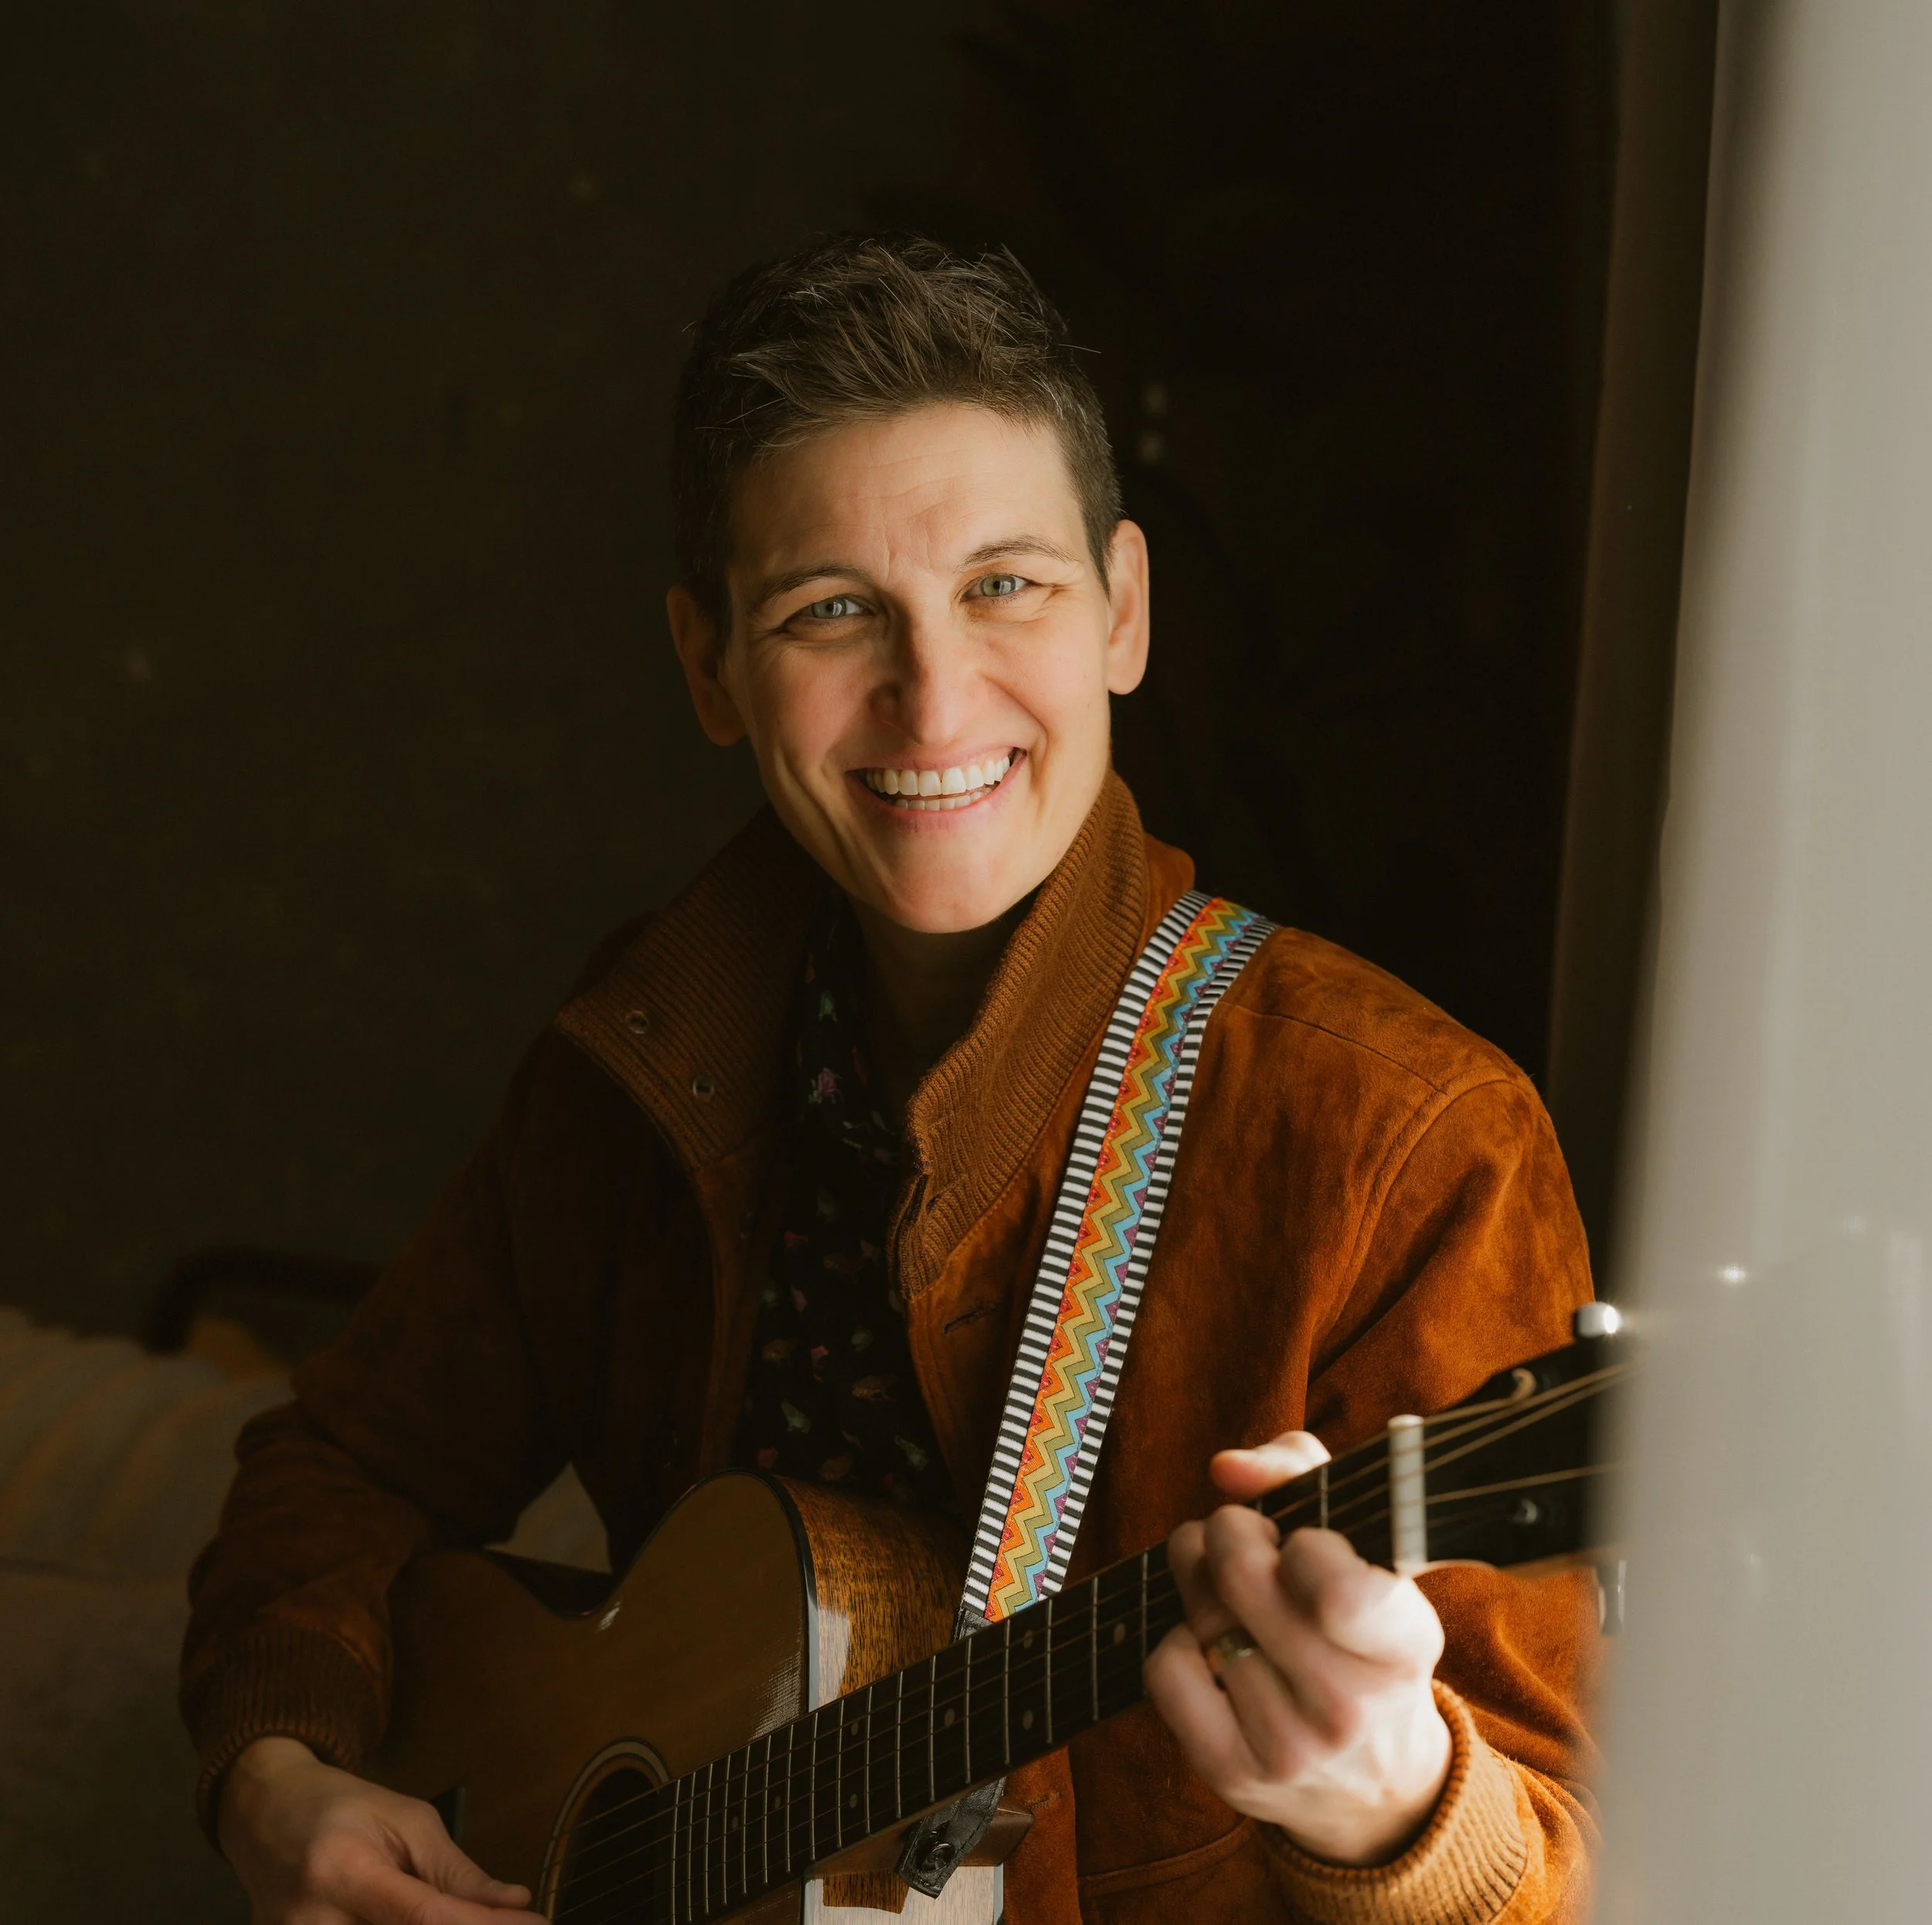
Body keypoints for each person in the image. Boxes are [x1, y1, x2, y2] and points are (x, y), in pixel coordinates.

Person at [184, 234, 1598, 1924]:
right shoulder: (651, 1052)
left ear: (1123, 613)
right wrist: (276, 1779)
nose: (934, 696)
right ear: (709, 665)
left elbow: (1565, 1868)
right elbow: (343, 1468)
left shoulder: (1404, 1138)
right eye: (832, 610)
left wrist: (1393, 1809)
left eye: (1006, 584)